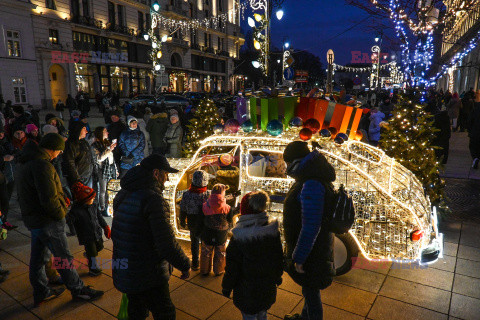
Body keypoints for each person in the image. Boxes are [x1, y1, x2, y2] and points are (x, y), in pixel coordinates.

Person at [15, 133, 104, 306]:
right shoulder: (42, 165)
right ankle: (78, 290)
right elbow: (48, 199)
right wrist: (62, 212)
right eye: (59, 151)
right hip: (47, 220)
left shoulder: (26, 162)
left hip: (34, 219)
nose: (60, 154)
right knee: (63, 257)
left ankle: (41, 291)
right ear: (53, 149)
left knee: (38, 258)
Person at [112, 154, 191, 320]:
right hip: (148, 272)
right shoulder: (153, 199)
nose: (167, 178)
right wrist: (184, 264)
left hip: (126, 267)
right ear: (156, 173)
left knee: (136, 310)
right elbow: (166, 243)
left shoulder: (123, 193)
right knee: (165, 312)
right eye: (165, 173)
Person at [282, 141, 336, 320]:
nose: (287, 167)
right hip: (316, 248)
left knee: (312, 294)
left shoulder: (311, 182)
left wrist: (299, 258)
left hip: (312, 252)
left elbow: (310, 227)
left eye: (288, 163)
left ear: (296, 161)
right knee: (309, 289)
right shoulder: (310, 175)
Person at [222, 191, 283, 320]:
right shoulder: (272, 232)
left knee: (249, 316)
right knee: (262, 314)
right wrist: (277, 277)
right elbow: (277, 259)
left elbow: (232, 268)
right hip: (267, 289)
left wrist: (227, 287)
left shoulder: (239, 237)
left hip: (246, 292)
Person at [69, 182, 110, 276]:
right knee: (93, 254)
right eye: (91, 198)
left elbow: (99, 217)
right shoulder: (75, 210)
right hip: (86, 236)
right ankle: (93, 269)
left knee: (99, 247)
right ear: (84, 200)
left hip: (97, 232)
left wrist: (105, 226)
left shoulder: (93, 205)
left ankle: (89, 254)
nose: (94, 198)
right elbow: (70, 221)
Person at [180, 170, 211, 271]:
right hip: (205, 221)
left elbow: (183, 209)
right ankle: (205, 264)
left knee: (194, 242)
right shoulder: (208, 194)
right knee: (205, 243)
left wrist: (182, 221)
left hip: (192, 221)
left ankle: (195, 263)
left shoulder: (186, 194)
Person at [200, 184, 233, 276]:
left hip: (207, 232)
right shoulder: (228, 208)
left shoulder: (204, 206)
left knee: (206, 252)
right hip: (221, 234)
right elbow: (230, 220)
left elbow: (202, 219)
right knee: (220, 253)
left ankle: (204, 270)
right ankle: (219, 270)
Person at [92, 127, 117, 216]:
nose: (107, 132)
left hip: (110, 168)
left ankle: (108, 207)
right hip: (101, 169)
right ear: (100, 133)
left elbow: (111, 158)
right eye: (105, 131)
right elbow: (100, 158)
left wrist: (115, 169)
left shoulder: (106, 143)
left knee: (109, 190)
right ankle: (102, 208)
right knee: (102, 190)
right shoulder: (95, 145)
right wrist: (109, 149)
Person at [62, 122, 95, 188]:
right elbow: (70, 163)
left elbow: (90, 158)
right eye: (84, 129)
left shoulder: (84, 143)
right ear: (78, 130)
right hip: (79, 179)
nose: (86, 131)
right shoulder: (71, 144)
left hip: (88, 176)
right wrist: (77, 179)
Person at [469, 90, 480, 169]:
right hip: (475, 131)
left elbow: (470, 120)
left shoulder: (476, 109)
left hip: (475, 131)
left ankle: (475, 158)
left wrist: (469, 130)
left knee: (473, 146)